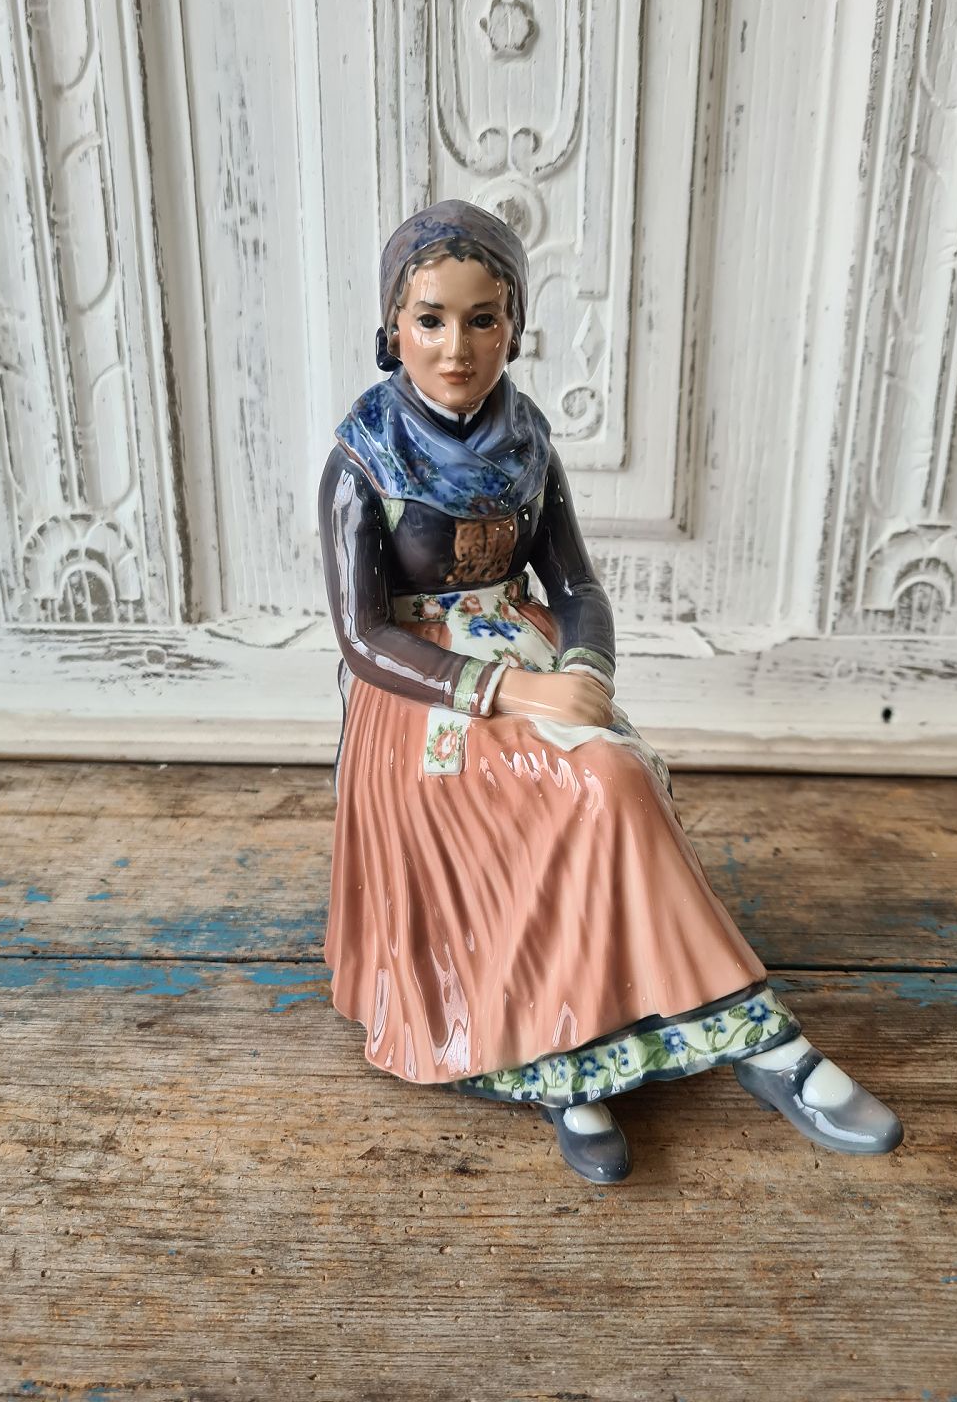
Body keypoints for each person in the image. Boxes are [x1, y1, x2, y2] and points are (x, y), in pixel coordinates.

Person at [319, 199, 903, 1184]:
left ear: (514, 325)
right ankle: (577, 1060)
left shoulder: (527, 444)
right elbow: (363, 635)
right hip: (428, 695)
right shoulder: (362, 459)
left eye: (482, 318)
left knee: (617, 779)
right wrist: (510, 693)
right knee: (551, 799)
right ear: (393, 328)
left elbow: (577, 585)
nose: (456, 347)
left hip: (530, 653)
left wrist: (583, 669)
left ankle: (732, 1043)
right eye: (430, 319)